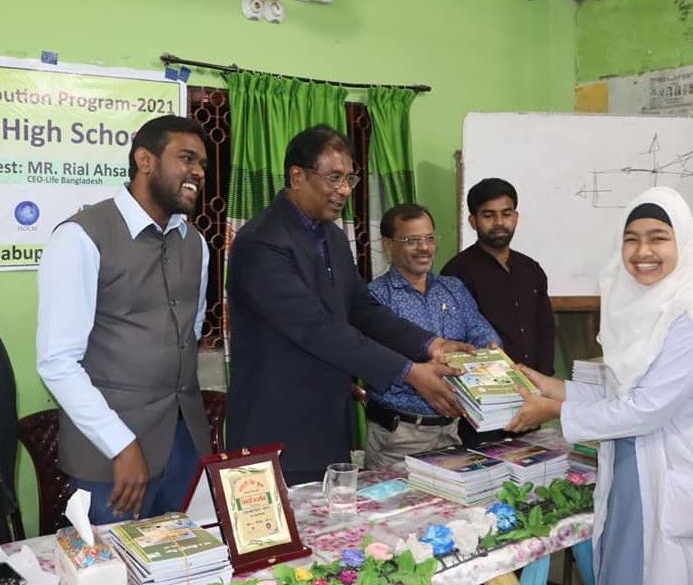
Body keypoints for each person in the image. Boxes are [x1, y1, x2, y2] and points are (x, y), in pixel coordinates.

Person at [225, 124, 468, 486]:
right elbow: (317, 328)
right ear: (297, 176)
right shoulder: (262, 242)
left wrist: (430, 344)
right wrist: (409, 372)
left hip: (327, 426)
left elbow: (361, 308)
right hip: (276, 431)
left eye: (349, 178)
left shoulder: (334, 237)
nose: (345, 190)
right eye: (334, 178)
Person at [507, 187, 693, 584]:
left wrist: (553, 410)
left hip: (666, 470)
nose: (642, 251)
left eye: (659, 237)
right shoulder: (635, 306)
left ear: (683, 241)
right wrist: (552, 386)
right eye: (631, 239)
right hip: (631, 466)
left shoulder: (686, 314)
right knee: (622, 563)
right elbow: (620, 392)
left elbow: (647, 409)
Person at [37, 115, 211, 524]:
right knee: (116, 559)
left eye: (203, 164)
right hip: (114, 460)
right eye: (186, 158)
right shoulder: (81, 236)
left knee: (192, 555)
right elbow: (57, 361)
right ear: (145, 160)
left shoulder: (195, 243)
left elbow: (190, 331)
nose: (199, 172)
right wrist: (120, 444)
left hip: (184, 445)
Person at [365, 203, 499, 469]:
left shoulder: (452, 288)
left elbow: (479, 329)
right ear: (388, 245)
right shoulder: (374, 297)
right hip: (400, 438)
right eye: (412, 240)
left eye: (429, 238)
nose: (424, 248)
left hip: (451, 431)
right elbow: (376, 361)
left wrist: (489, 350)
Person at [441, 178, 555, 447]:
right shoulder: (457, 273)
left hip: (532, 398)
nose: (499, 222)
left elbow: (545, 328)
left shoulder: (531, 269)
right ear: (473, 221)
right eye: (488, 215)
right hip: (484, 406)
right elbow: (457, 343)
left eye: (506, 213)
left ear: (516, 217)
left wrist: (544, 384)